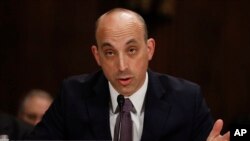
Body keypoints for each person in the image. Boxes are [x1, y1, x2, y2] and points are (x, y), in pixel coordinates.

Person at [27, 8, 230, 140]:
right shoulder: (73, 95)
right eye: (109, 53)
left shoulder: (187, 99)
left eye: (131, 50)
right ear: (97, 56)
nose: (122, 66)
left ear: (149, 49)